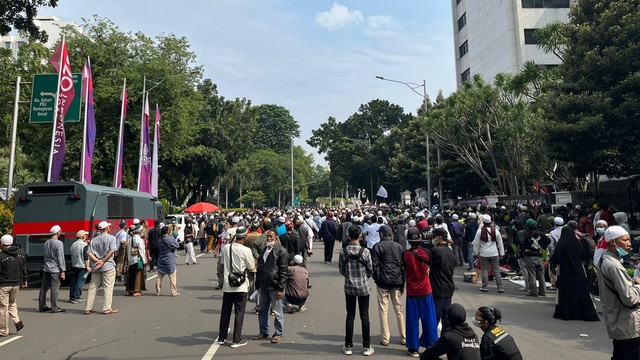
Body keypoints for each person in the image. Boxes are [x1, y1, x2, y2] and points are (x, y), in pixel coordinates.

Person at [597, 226, 640, 359]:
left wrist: (633, 282)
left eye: (629, 240)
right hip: (627, 324)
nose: (629, 244)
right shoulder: (614, 266)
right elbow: (629, 298)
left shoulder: (605, 260)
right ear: (613, 242)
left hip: (618, 321)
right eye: (625, 240)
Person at [550, 226, 599, 321]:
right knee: (581, 292)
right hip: (578, 271)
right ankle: (582, 312)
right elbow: (583, 255)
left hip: (565, 272)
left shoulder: (561, 244)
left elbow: (555, 259)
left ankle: (567, 313)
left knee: (566, 293)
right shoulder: (577, 244)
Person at [339, 225, 375, 356]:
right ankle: (366, 346)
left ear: (348, 236)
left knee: (350, 316)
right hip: (363, 287)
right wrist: (364, 278)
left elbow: (341, 269)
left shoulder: (343, 251)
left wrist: (349, 276)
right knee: (364, 316)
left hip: (349, 287)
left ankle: (348, 345)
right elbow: (370, 269)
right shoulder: (365, 252)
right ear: (360, 236)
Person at [217, 226, 255, 348]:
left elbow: (222, 263)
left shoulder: (226, 248)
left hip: (228, 285)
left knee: (225, 312)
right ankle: (236, 340)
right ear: (244, 237)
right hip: (241, 286)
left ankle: (222, 337)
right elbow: (251, 267)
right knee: (239, 313)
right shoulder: (246, 250)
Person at [403, 227, 438, 358]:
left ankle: (413, 348)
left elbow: (406, 269)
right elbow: (431, 266)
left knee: (412, 320)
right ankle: (432, 344)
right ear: (420, 239)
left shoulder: (405, 254)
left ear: (409, 240)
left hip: (412, 291)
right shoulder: (427, 252)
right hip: (426, 289)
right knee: (429, 319)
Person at [371, 224, 406, 347]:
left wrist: (376, 278)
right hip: (396, 280)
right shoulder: (399, 247)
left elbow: (374, 265)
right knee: (399, 310)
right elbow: (402, 266)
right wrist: (402, 282)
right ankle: (404, 337)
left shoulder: (377, 247)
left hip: (382, 281)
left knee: (383, 310)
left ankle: (385, 338)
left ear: (381, 234)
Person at [254, 230, 288, 344]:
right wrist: (257, 284)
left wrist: (281, 288)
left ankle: (278, 333)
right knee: (262, 310)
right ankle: (263, 331)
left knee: (277, 311)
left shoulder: (281, 251)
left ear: (276, 238)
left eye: (271, 236)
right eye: (267, 236)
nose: (268, 238)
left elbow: (283, 271)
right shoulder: (264, 249)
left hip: (275, 286)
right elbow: (260, 267)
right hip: (263, 285)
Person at [85, 221, 119, 315]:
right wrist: (103, 261)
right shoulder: (111, 238)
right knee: (108, 287)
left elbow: (89, 252)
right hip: (108, 265)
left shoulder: (93, 240)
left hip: (95, 266)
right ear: (107, 228)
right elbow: (112, 251)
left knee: (92, 286)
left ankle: (88, 308)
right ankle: (107, 308)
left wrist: (97, 261)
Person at [429, 228, 456, 335]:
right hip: (449, 288)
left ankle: (430, 340)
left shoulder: (435, 251)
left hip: (438, 288)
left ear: (439, 238)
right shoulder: (449, 251)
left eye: (434, 237)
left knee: (434, 318)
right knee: (446, 319)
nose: (433, 239)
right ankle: (445, 341)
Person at [0, 234, 27, 336]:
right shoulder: (20, 252)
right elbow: (24, 267)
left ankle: (3, 330)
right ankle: (17, 321)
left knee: (3, 307)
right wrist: (25, 279)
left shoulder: (1, 256)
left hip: (4, 284)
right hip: (16, 283)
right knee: (12, 303)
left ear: (2, 243)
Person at [473, 215, 505, 293]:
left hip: (484, 254)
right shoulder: (495, 230)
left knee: (485, 270)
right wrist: (501, 253)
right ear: (490, 222)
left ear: (483, 222)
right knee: (496, 270)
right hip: (494, 253)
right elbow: (500, 242)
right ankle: (500, 287)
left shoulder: (480, 231)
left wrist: (476, 252)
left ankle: (484, 287)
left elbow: (476, 243)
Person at [39, 225, 66, 313]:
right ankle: (54, 307)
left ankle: (42, 305)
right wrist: (62, 270)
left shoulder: (47, 242)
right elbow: (60, 258)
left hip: (46, 268)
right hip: (55, 269)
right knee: (54, 289)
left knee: (44, 287)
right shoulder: (59, 243)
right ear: (58, 232)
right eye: (60, 231)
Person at [519, 219, 551, 297]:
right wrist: (543, 246)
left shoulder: (525, 234)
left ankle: (533, 292)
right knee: (541, 274)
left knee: (531, 274)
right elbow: (548, 240)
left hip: (530, 255)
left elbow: (521, 242)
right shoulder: (540, 233)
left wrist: (523, 251)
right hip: (539, 255)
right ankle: (543, 291)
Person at [156, 226, 180, 296]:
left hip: (161, 260)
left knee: (159, 277)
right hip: (170, 260)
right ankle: (173, 292)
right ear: (168, 231)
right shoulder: (170, 238)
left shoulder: (160, 240)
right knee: (172, 276)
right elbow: (177, 245)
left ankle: (158, 291)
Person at [68, 230, 91, 303]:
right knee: (80, 281)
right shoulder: (84, 245)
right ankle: (77, 296)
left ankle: (71, 296)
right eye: (85, 235)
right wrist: (87, 266)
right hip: (82, 265)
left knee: (73, 280)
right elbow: (86, 257)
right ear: (83, 236)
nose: (86, 236)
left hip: (74, 264)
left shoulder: (73, 244)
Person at [126, 224, 147, 296]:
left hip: (131, 259)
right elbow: (141, 251)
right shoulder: (140, 240)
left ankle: (130, 290)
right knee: (138, 275)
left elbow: (128, 251)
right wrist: (144, 261)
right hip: (138, 259)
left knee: (131, 275)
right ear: (140, 231)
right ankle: (137, 291)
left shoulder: (129, 239)